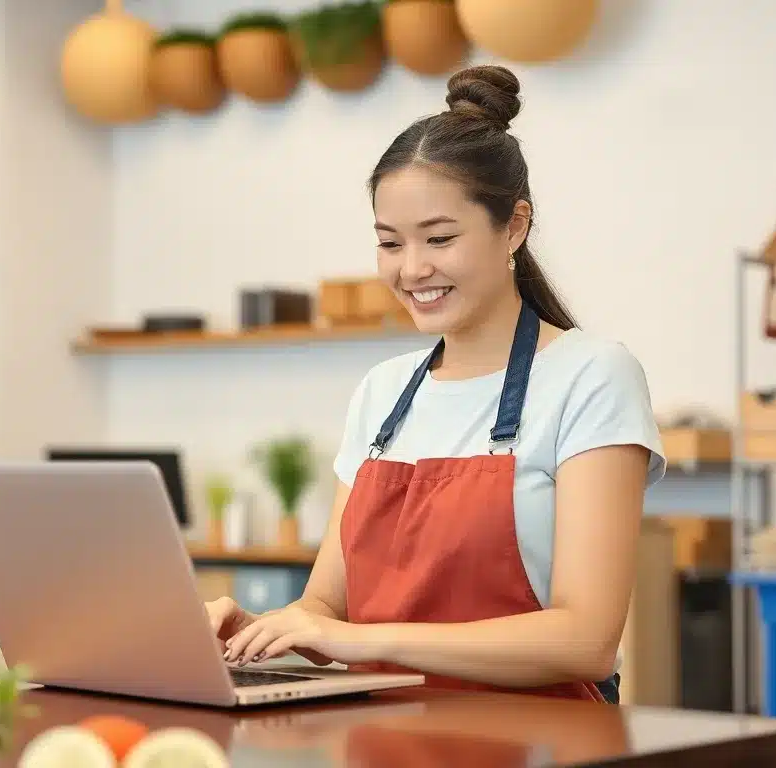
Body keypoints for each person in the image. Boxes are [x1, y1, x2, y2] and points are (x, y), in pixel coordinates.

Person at [207, 65, 665, 704]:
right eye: (389, 243)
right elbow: (326, 607)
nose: (412, 268)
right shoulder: (383, 390)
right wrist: (257, 635)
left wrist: (370, 641)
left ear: (514, 225)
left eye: (440, 238)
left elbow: (584, 640)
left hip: (540, 742)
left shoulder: (591, 375)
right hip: (378, 740)